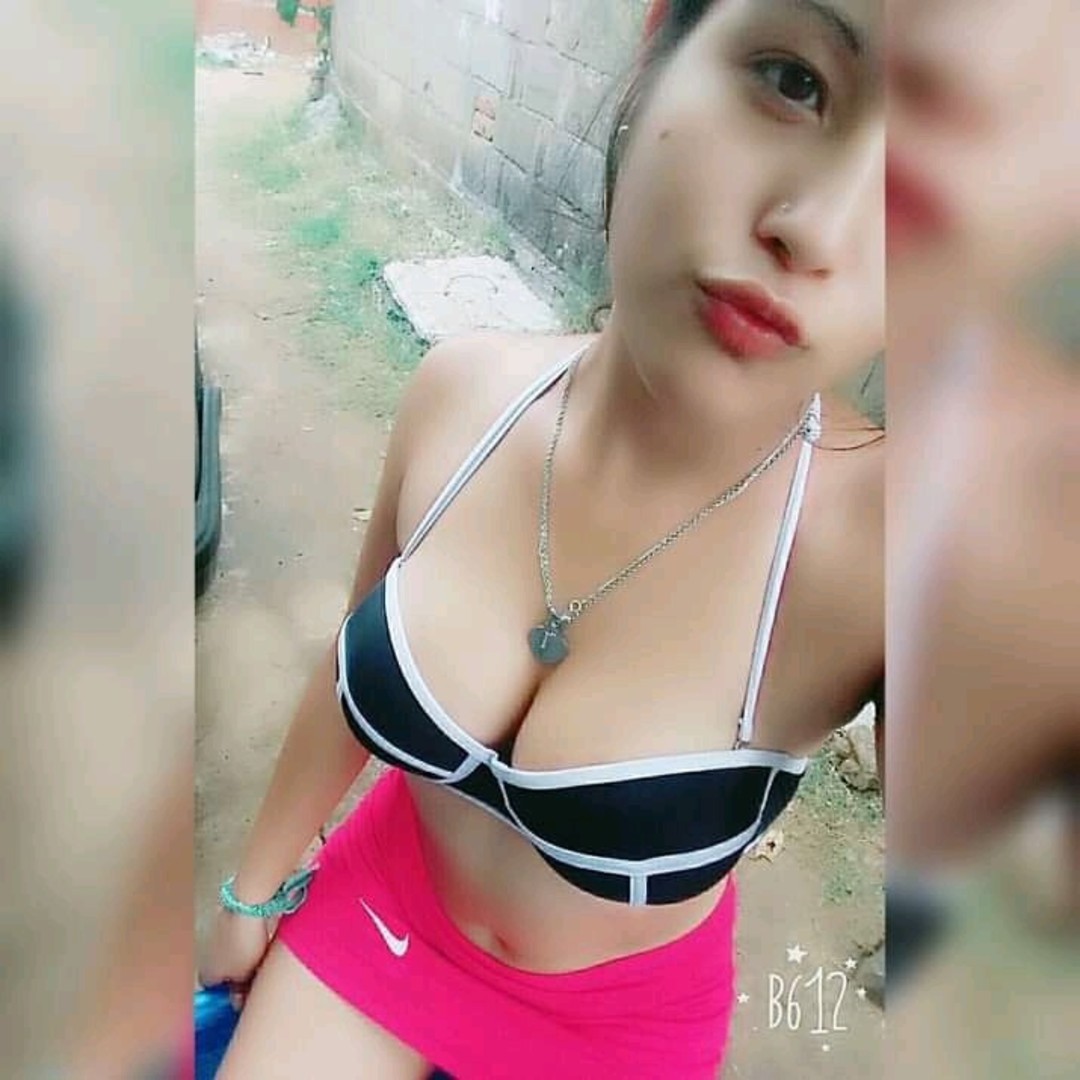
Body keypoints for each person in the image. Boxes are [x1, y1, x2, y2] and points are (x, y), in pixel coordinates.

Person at [198, 1, 885, 1076]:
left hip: (616, 1026)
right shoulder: (461, 392)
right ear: (657, 52)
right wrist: (253, 889)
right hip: (385, 913)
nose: (821, 229)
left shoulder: (882, 549)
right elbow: (347, 667)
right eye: (793, 80)